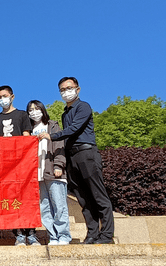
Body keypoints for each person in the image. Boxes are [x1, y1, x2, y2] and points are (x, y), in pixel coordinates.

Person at [38, 77, 114, 244]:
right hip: (72, 156)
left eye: (69, 88)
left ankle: (107, 235)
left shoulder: (83, 107)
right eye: (63, 90)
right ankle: (93, 233)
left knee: (98, 195)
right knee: (83, 198)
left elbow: (73, 129)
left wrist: (52, 136)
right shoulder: (65, 113)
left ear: (78, 89)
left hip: (86, 153)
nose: (66, 92)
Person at [0, 85, 39, 246]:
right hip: (5, 167)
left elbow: (26, 137)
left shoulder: (22, 115)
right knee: (10, 200)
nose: (2, 99)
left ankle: (31, 233)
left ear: (12, 96)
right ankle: (18, 233)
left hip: (23, 164)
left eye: (4, 96)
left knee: (27, 198)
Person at [27, 100, 71, 246]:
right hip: (36, 175)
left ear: (43, 109)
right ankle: (53, 236)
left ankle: (63, 235)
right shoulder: (29, 129)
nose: (34, 112)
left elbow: (59, 146)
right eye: (31, 110)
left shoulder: (52, 125)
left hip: (53, 171)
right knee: (44, 208)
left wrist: (59, 165)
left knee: (59, 205)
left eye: (37, 108)